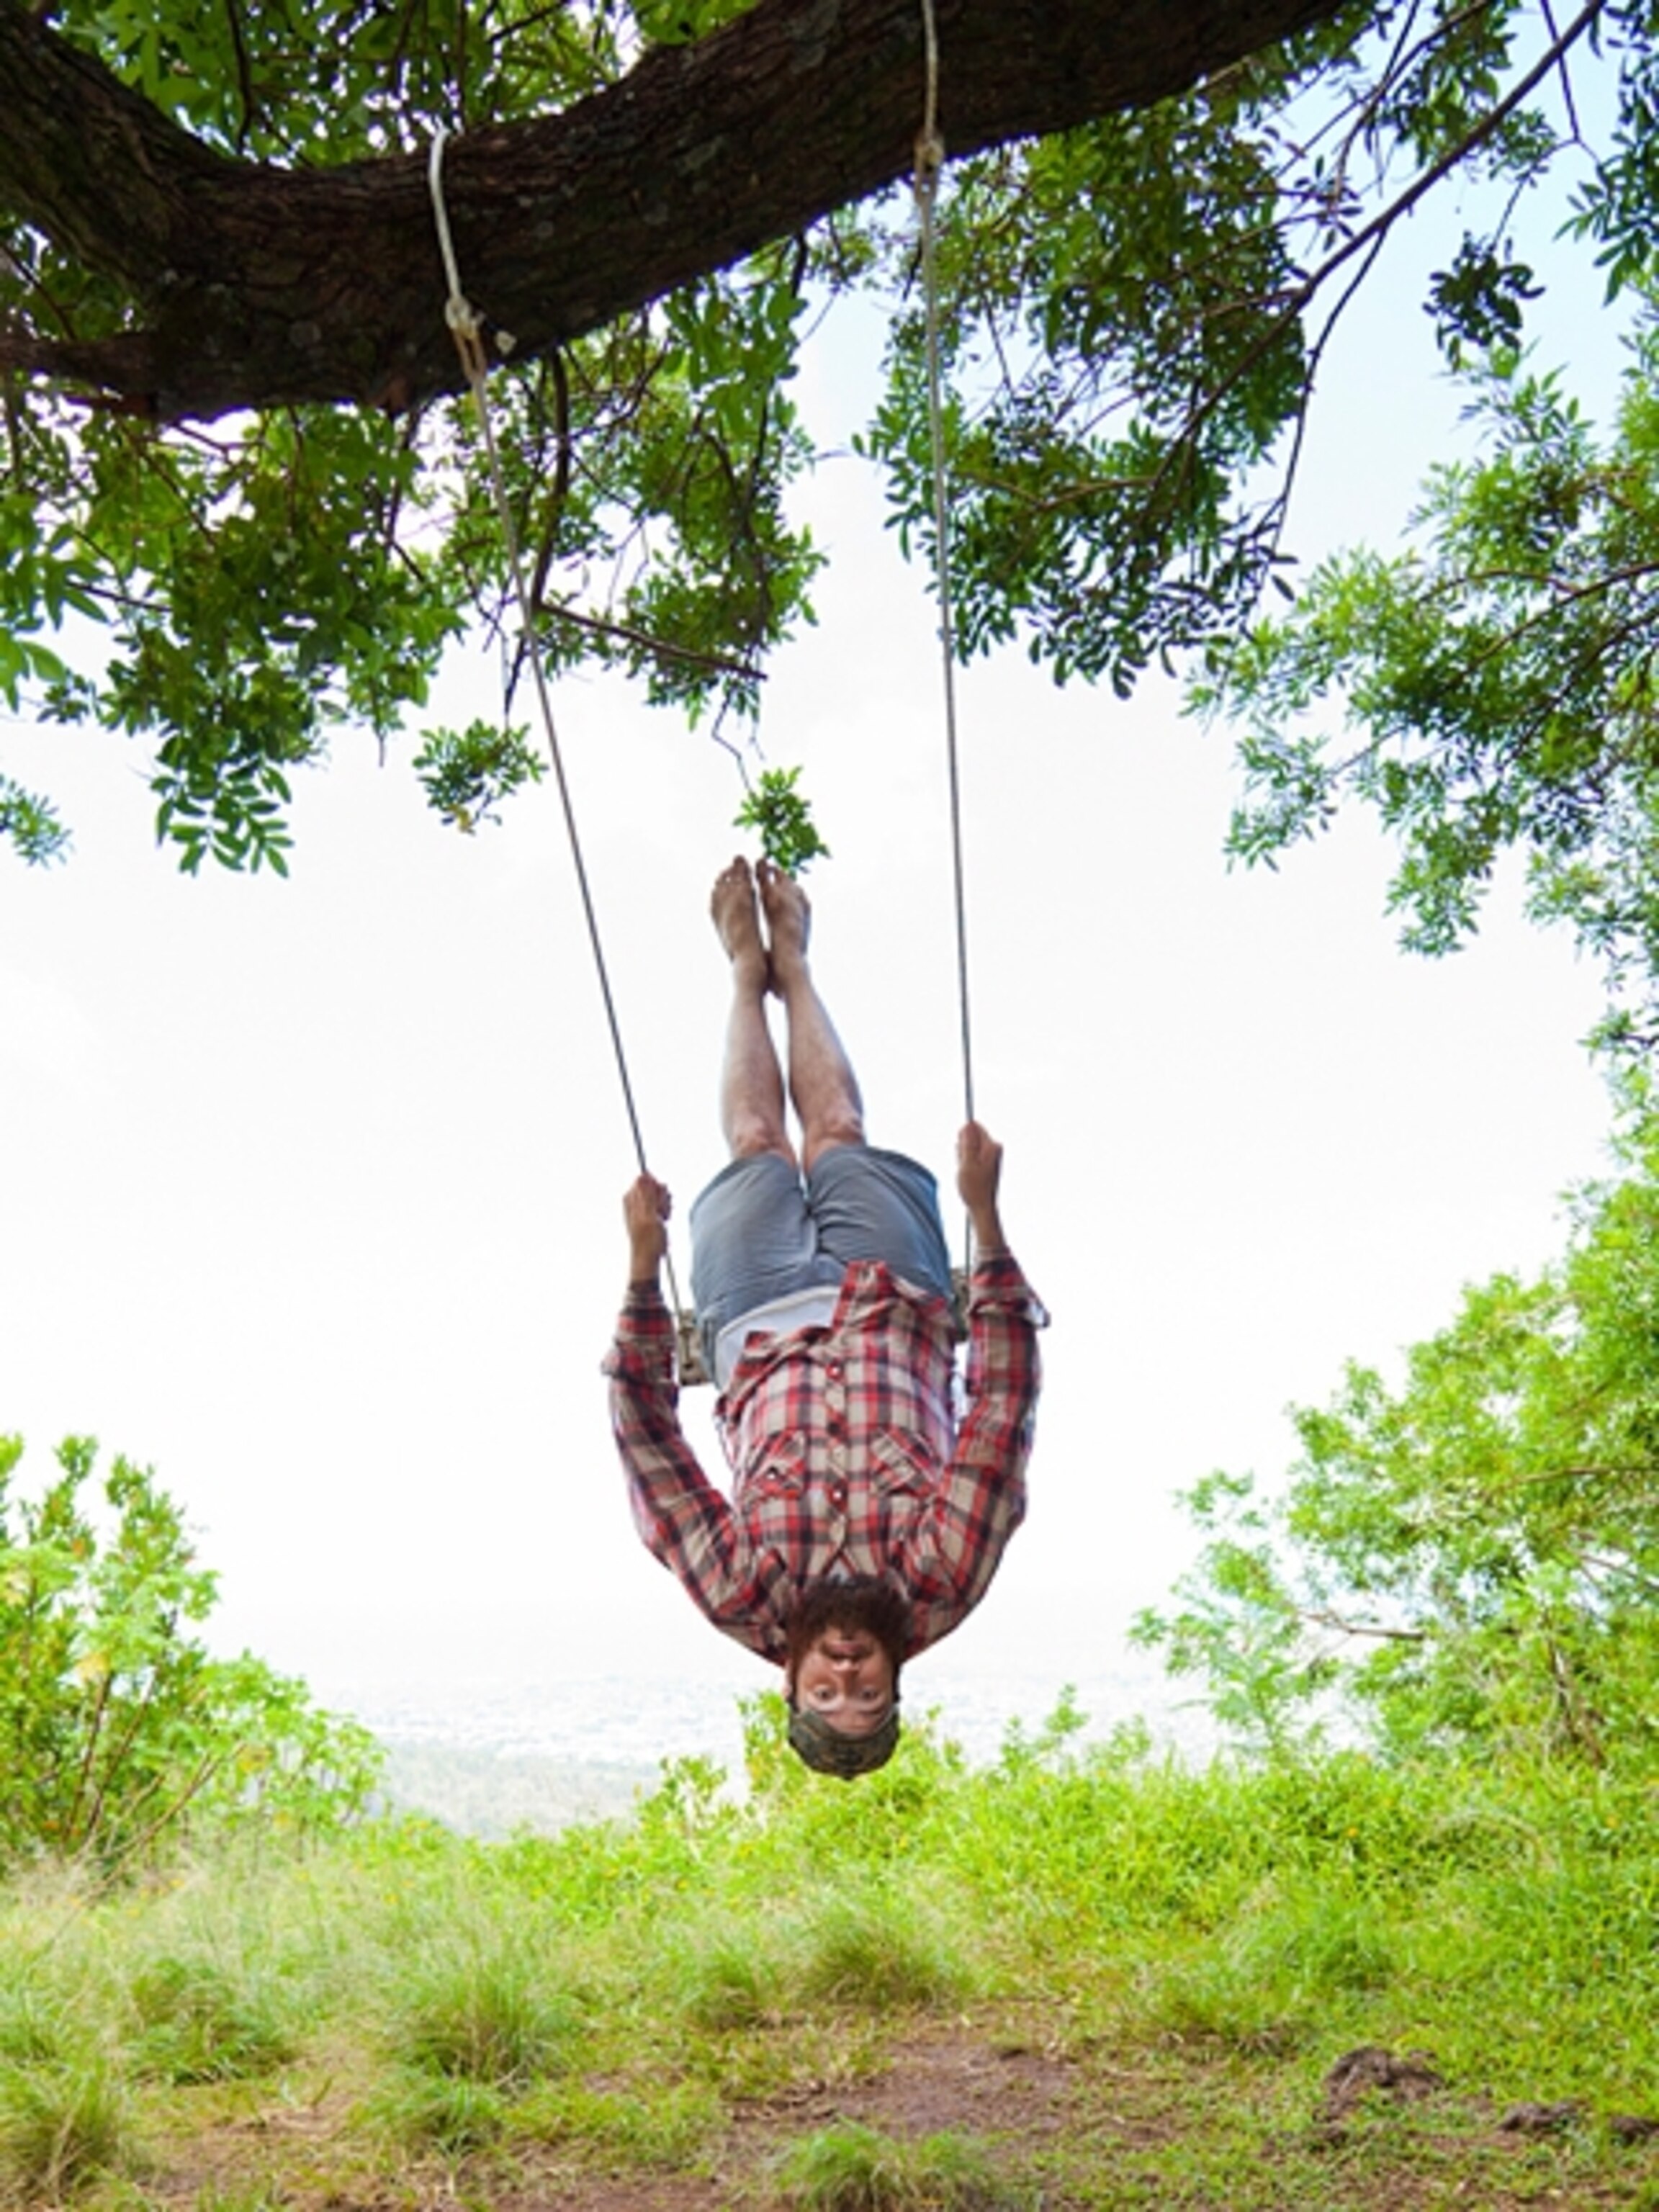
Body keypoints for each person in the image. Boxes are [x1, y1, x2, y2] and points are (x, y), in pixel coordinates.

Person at [604, 856, 1046, 1778]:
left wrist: (643, 1271)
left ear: (791, 1682)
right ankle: (793, 963)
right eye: (866, 1693)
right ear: (895, 1681)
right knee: (838, 1126)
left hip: (754, 1320)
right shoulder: (943, 1579)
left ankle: (741, 970)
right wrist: (987, 1220)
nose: (846, 1673)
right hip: (897, 1304)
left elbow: (649, 1448)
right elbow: (1001, 1410)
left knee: (757, 1143)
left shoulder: (742, 1594)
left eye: (827, 1693)